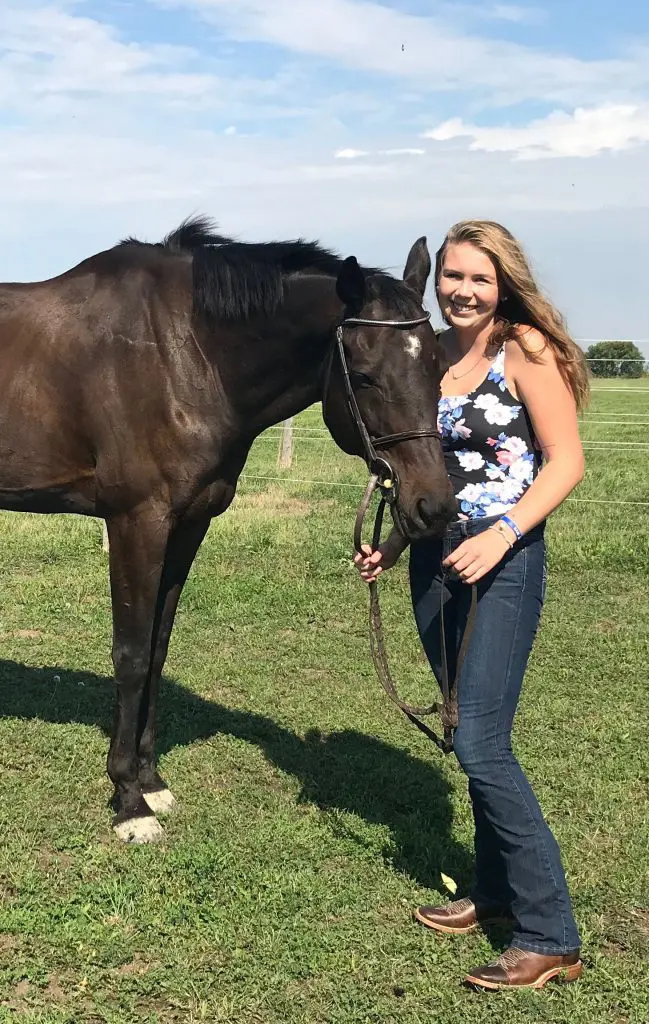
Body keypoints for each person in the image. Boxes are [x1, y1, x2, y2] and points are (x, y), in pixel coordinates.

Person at [354, 220, 589, 990]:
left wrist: (504, 534)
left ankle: (549, 930)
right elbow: (428, 471)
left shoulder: (523, 350)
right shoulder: (431, 354)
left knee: (484, 743)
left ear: (502, 284)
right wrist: (391, 547)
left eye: (477, 279)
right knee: (462, 731)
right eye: (452, 277)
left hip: (503, 562)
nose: (461, 291)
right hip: (433, 558)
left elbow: (565, 462)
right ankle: (492, 893)